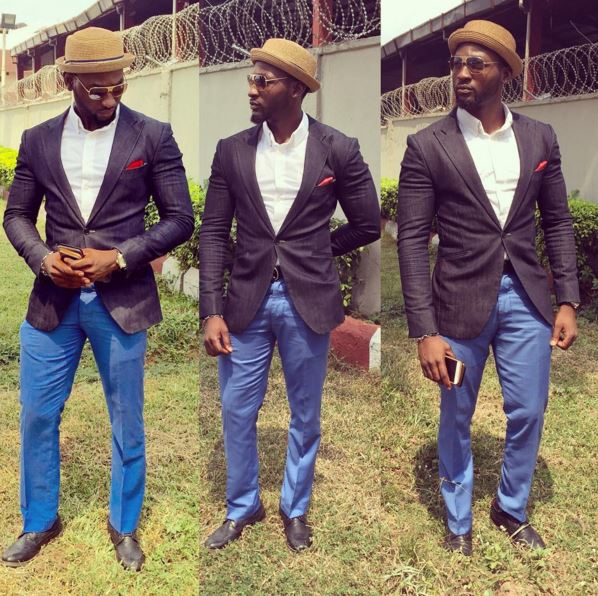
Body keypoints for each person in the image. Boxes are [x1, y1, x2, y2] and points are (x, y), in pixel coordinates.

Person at [2, 27, 194, 571]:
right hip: (53, 303)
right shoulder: (38, 140)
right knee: (38, 413)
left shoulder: (152, 136)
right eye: (98, 90)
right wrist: (44, 258)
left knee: (126, 419)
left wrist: (122, 257)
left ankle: (123, 524)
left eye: (118, 88)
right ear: (69, 81)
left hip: (123, 300)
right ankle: (40, 520)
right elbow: (16, 216)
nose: (110, 99)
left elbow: (180, 218)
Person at [397, 20, 579, 556]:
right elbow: (411, 241)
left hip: (526, 299)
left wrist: (567, 299)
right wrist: (424, 330)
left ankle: (510, 508)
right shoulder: (427, 145)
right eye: (456, 63)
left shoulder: (540, 138)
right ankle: (459, 519)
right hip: (457, 302)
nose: (462, 73)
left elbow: (558, 222)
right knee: (457, 413)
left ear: (505, 72)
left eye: (476, 64)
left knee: (529, 410)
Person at [200, 38, 379, 551]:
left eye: (264, 80)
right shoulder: (232, 150)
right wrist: (211, 309)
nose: (252, 89)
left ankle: (294, 508)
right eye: (251, 78)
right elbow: (213, 232)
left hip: (308, 301)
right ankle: (243, 505)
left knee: (305, 412)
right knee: (236, 408)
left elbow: (367, 222)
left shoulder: (338, 149)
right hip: (246, 302)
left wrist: (317, 250)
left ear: (296, 89)